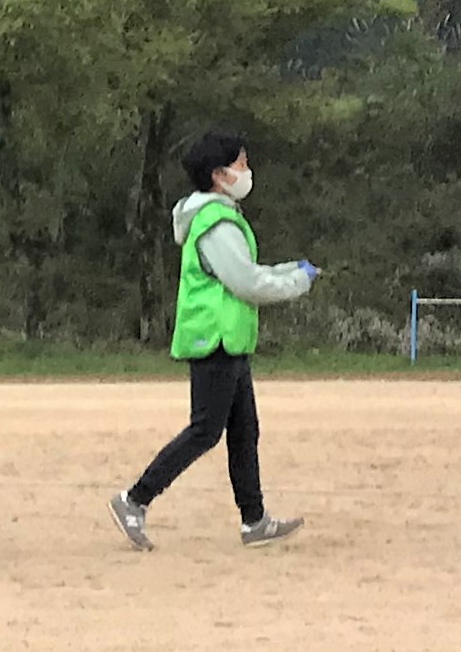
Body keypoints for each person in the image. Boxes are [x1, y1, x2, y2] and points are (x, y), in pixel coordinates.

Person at [108, 132, 315, 552]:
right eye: (240, 164)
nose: (247, 171)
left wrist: (287, 270)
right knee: (205, 430)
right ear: (218, 175)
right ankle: (135, 499)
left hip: (229, 339)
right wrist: (297, 281)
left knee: (244, 431)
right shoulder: (215, 222)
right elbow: (246, 282)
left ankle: (253, 519)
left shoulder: (220, 215)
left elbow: (245, 272)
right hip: (214, 339)